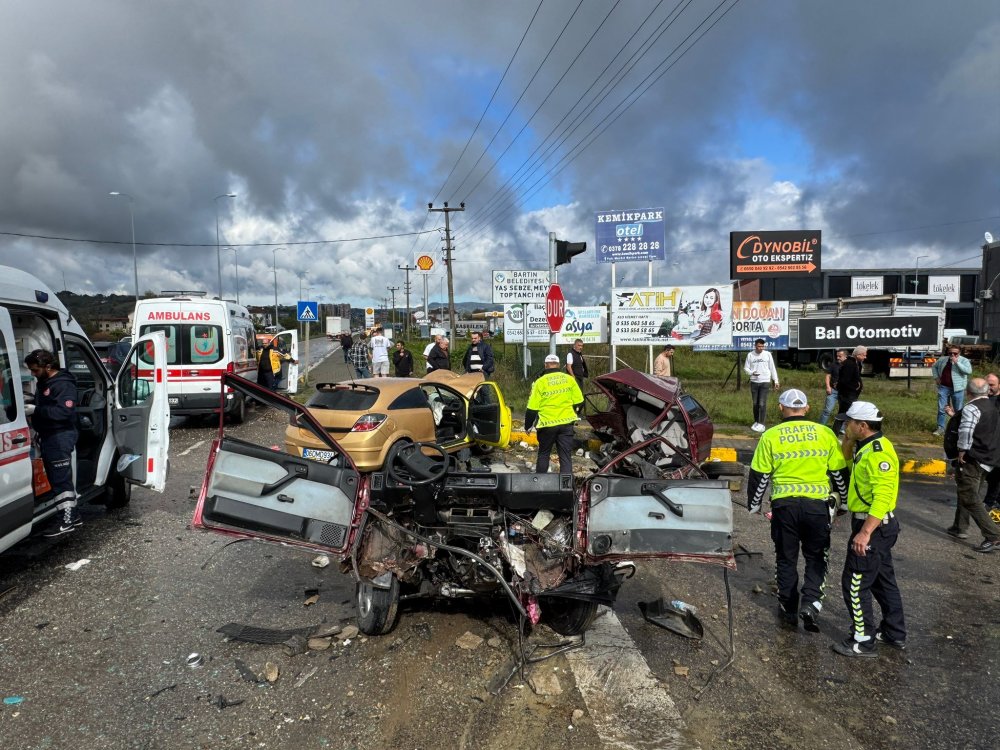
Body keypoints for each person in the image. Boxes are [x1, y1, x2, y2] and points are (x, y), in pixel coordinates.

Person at [748, 389, 849, 630]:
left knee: (786, 558)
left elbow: (760, 474)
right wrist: (843, 503)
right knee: (816, 557)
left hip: (785, 506)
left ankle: (789, 608)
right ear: (807, 408)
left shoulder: (771, 436)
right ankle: (811, 603)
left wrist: (754, 505)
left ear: (781, 408)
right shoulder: (825, 433)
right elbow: (839, 473)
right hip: (817, 506)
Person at [832, 401, 906, 657]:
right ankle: (894, 632)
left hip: (874, 525)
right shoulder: (863, 447)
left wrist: (865, 533)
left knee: (854, 582)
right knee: (883, 581)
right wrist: (847, 441)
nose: (844, 426)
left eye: (849, 423)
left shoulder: (879, 454)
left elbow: (883, 496)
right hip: (873, 524)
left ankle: (862, 640)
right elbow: (848, 466)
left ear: (862, 426)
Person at [25, 350, 81, 537]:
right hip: (50, 436)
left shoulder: (63, 385)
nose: (33, 373)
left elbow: (63, 413)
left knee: (60, 481)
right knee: (59, 478)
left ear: (48, 367)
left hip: (60, 437)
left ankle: (66, 521)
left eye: (35, 370)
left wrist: (36, 410)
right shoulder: (46, 382)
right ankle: (74, 515)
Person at [943, 378, 1000, 552]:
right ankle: (959, 527)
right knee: (967, 490)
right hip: (989, 458)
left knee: (969, 495)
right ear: (986, 391)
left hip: (974, 458)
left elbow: (966, 430)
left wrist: (962, 450)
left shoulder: (972, 407)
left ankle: (993, 535)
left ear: (968, 392)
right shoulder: (991, 406)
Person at [524, 354, 583, 475]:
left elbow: (531, 409)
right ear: (558, 365)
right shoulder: (569, 379)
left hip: (547, 424)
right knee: (565, 456)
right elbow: (580, 402)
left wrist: (528, 426)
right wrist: (574, 413)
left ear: (545, 365)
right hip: (566, 424)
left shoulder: (540, 382)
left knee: (544, 454)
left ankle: (540, 484)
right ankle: (566, 488)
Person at [931, 344, 972, 436]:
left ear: (959, 353)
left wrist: (957, 362)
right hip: (944, 387)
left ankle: (957, 428)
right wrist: (936, 377)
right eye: (950, 353)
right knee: (941, 409)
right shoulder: (943, 359)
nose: (952, 355)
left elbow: (968, 371)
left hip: (958, 389)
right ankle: (941, 428)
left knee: (958, 410)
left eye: (955, 353)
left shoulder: (964, 360)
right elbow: (934, 367)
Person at [743, 338, 779, 432]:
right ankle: (756, 422)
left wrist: (776, 381)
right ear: (755, 346)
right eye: (759, 346)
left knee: (762, 403)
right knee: (755, 403)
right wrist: (752, 373)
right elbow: (746, 368)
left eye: (762, 346)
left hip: (765, 381)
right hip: (754, 382)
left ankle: (762, 423)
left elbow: (772, 368)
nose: (761, 348)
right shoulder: (750, 355)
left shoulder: (767, 354)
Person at [819, 349, 848, 426]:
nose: (838, 358)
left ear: (845, 356)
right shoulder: (833, 365)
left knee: (844, 411)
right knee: (827, 410)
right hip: (833, 391)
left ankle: (841, 429)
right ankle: (821, 426)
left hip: (844, 393)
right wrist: (828, 387)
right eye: (837, 356)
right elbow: (828, 376)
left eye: (840, 356)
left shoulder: (849, 366)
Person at [836, 346, 866, 417]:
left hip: (850, 395)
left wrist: (860, 385)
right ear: (858, 355)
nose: (865, 357)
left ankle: (842, 428)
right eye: (864, 355)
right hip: (847, 396)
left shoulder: (856, 363)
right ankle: (837, 428)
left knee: (846, 415)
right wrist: (855, 386)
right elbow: (844, 381)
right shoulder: (849, 363)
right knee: (843, 415)